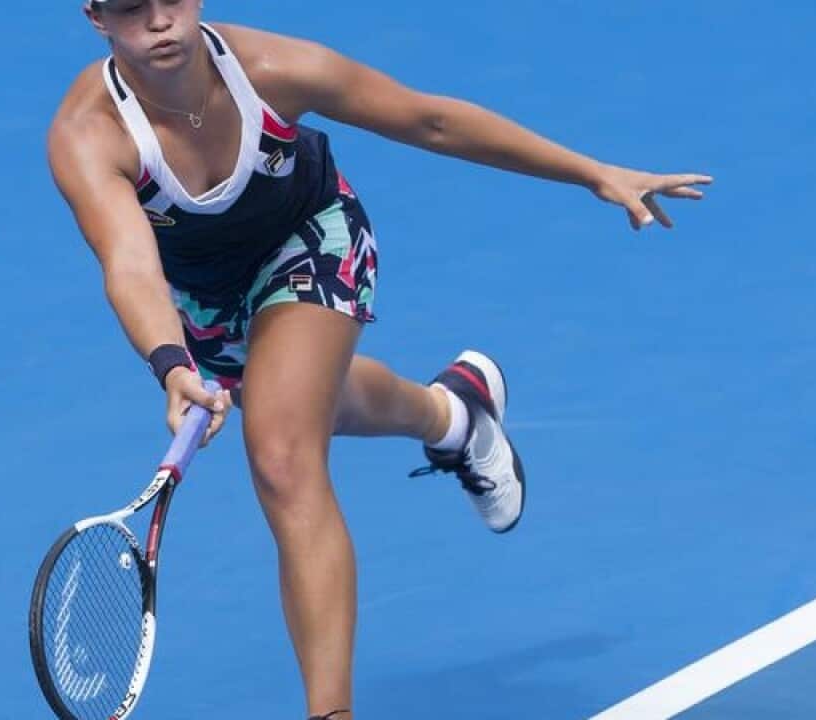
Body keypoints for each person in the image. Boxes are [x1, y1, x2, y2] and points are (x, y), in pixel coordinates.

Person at [48, 1, 711, 717]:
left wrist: (590, 171)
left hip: (310, 239)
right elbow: (131, 267)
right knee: (313, 401)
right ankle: (454, 414)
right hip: (203, 298)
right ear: (96, 17)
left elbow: (428, 119)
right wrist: (172, 363)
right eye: (129, 7)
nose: (159, 22)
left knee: (280, 452)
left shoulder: (271, 70)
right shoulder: (89, 134)